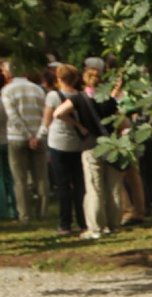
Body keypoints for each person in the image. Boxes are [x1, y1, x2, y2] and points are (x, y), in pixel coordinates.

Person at [53, 67, 123, 239]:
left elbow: (58, 113)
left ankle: (96, 227)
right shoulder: (109, 99)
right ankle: (113, 224)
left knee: (94, 188)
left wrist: (79, 126)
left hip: (91, 145)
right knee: (113, 188)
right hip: (112, 145)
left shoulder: (79, 98)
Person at [41, 63, 88, 235]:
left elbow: (47, 120)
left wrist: (41, 137)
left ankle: (65, 224)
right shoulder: (81, 96)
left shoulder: (53, 96)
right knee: (79, 185)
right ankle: (83, 221)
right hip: (78, 143)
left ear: (59, 78)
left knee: (62, 185)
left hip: (58, 143)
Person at [1, 59, 49, 224]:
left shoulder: (7, 91)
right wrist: (38, 135)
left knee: (19, 179)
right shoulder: (38, 89)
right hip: (39, 135)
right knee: (41, 177)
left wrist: (28, 135)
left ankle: (25, 215)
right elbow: (45, 115)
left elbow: (13, 116)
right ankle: (42, 212)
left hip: (17, 137)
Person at [0, 67, 17, 220]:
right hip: (8, 139)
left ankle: (3, 210)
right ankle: (14, 208)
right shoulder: (5, 98)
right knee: (10, 176)